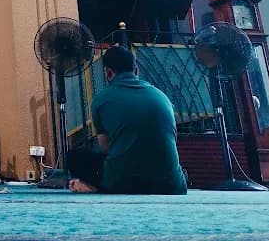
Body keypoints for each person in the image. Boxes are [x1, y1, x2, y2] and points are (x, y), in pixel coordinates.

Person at [67, 45, 187, 194]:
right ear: (136, 70)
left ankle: (94, 186)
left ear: (109, 73)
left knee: (75, 157)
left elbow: (106, 148)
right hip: (172, 185)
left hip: (123, 184)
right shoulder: (162, 97)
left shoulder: (101, 100)